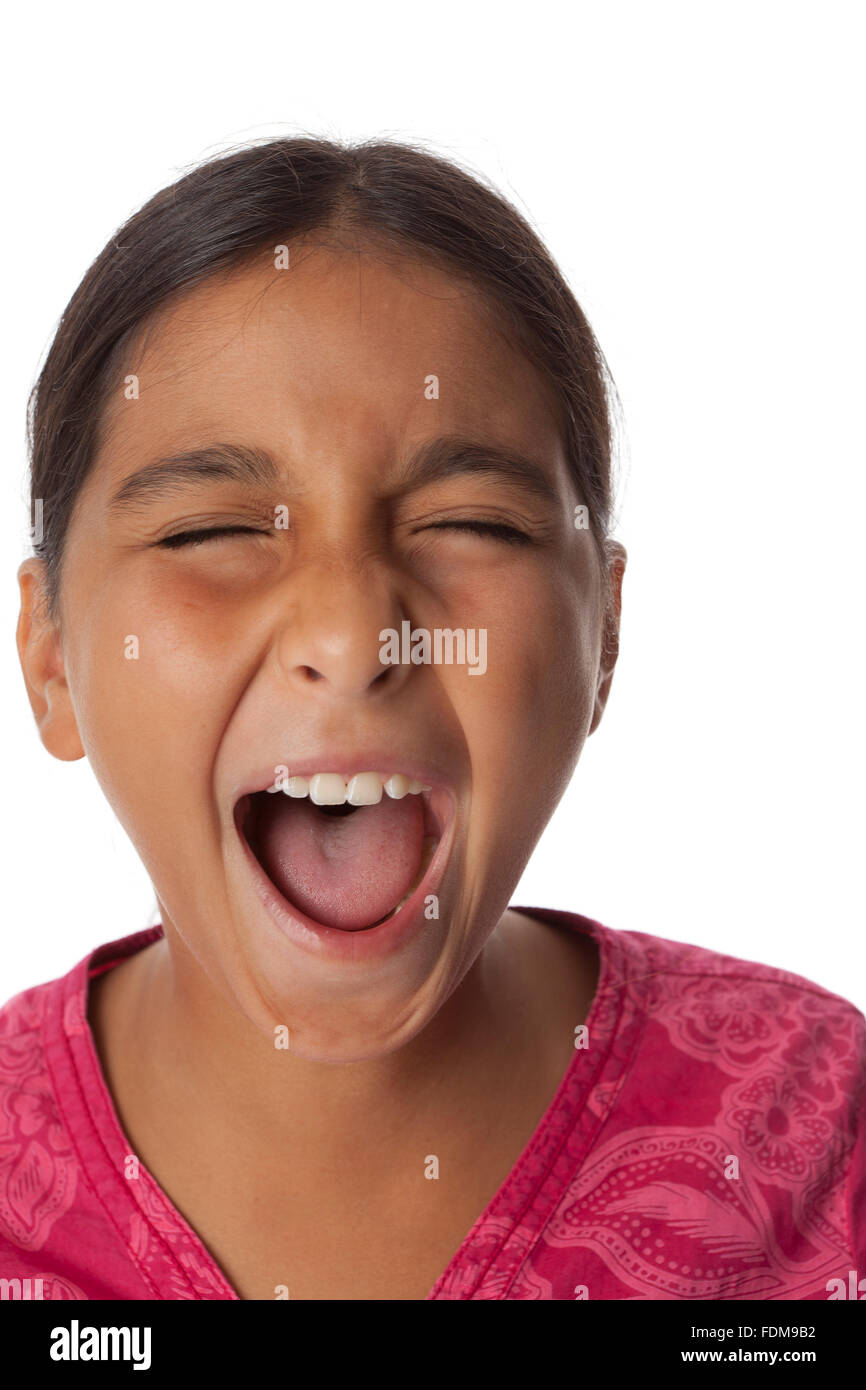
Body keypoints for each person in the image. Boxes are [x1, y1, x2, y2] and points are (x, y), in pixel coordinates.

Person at [3, 137, 862, 1300]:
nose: (357, 641)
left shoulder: (817, 1137)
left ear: (601, 632)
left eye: (474, 523)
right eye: (213, 531)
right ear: (51, 655)